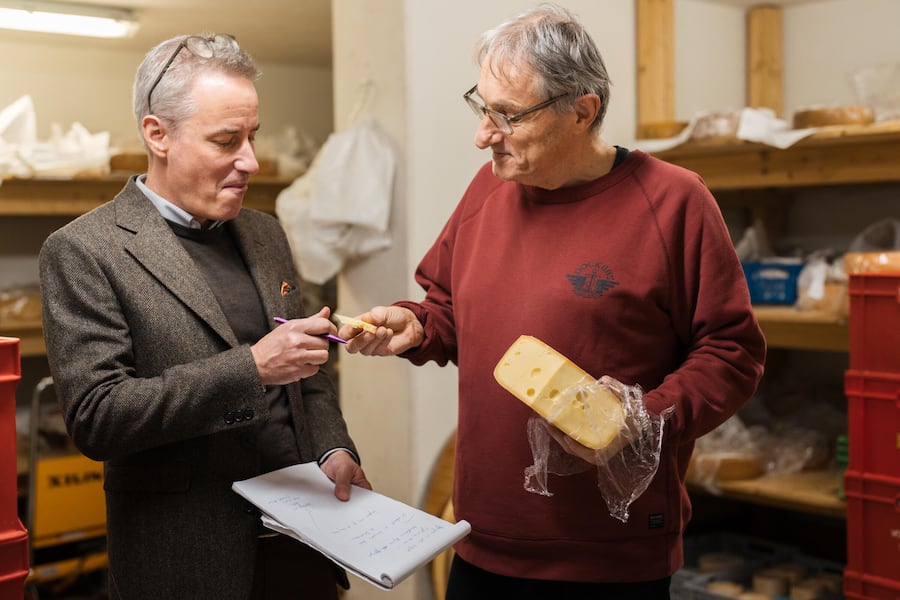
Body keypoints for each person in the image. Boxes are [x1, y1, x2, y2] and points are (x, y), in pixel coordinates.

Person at [340, 4, 766, 599]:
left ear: (582, 111)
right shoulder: (489, 189)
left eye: (507, 116)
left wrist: (640, 421)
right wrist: (413, 324)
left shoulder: (674, 202)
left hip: (610, 561)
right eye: (481, 107)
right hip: (480, 540)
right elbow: (447, 308)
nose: (483, 134)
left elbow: (732, 353)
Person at [38, 33, 370, 600]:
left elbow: (306, 371)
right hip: (188, 562)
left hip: (304, 548)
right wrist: (251, 369)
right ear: (157, 134)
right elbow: (98, 418)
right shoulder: (85, 250)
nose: (251, 161)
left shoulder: (264, 232)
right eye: (226, 141)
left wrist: (334, 449)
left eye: (252, 136)